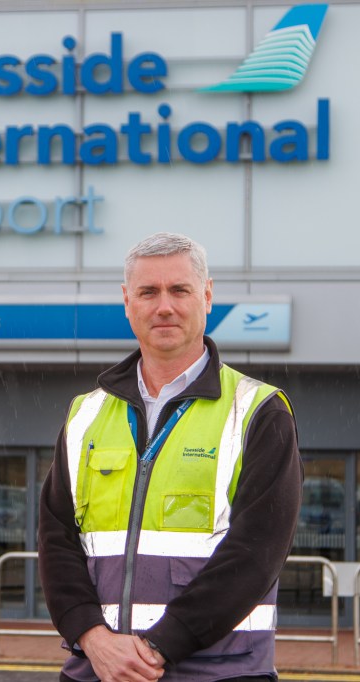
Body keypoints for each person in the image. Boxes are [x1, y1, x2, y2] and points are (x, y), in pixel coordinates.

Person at [38, 233, 302, 682]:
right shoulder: (86, 413)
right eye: (148, 292)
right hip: (96, 669)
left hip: (219, 672)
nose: (164, 306)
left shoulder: (258, 411)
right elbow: (57, 538)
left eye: (179, 290)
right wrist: (93, 638)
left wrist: (159, 647)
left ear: (207, 296)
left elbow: (257, 552)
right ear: (127, 302)